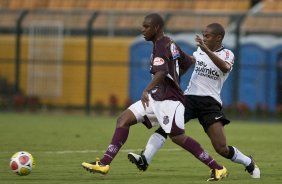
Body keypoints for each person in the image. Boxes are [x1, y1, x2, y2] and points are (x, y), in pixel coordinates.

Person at [82, 14, 228, 181]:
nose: (142, 30)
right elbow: (187, 61)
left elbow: (162, 72)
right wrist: (175, 77)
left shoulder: (161, 45)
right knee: (123, 119)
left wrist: (147, 89)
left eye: (146, 27)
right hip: (156, 97)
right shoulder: (169, 43)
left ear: (156, 28)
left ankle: (217, 168)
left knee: (177, 137)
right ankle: (104, 163)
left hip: (169, 101)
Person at [128, 23, 261, 179]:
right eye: (203, 35)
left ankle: (248, 162)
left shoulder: (227, 54)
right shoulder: (199, 52)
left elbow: (225, 68)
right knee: (167, 128)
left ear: (218, 38)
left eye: (207, 36)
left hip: (210, 103)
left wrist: (205, 50)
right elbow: (189, 62)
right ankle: (145, 159)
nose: (204, 38)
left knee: (221, 148)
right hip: (189, 98)